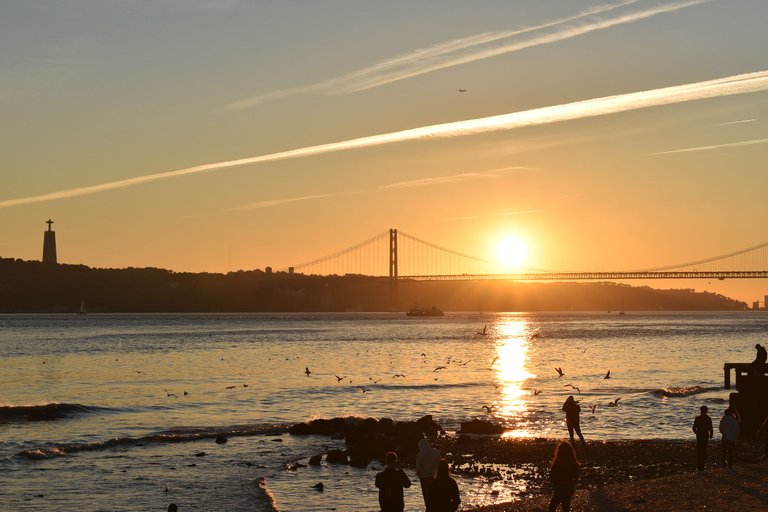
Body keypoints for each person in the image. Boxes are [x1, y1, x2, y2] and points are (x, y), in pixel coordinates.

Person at [548, 441, 581, 512]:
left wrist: (554, 482)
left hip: (561, 487)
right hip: (570, 487)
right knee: (565, 507)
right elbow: (577, 474)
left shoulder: (558, 462)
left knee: (552, 507)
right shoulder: (572, 462)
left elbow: (551, 475)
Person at [415, 438, 441, 508]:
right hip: (434, 477)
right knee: (435, 494)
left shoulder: (420, 454)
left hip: (424, 478)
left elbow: (418, 467)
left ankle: (428, 508)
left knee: (426, 495)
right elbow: (440, 463)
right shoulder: (435, 452)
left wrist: (419, 475)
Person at [692, 405, 713, 471]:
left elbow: (694, 428)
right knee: (704, 450)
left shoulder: (697, 418)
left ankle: (699, 465)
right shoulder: (708, 418)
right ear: (706, 411)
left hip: (699, 435)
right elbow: (710, 428)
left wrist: (697, 433)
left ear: (701, 410)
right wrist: (711, 435)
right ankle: (702, 465)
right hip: (705, 435)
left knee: (699, 450)